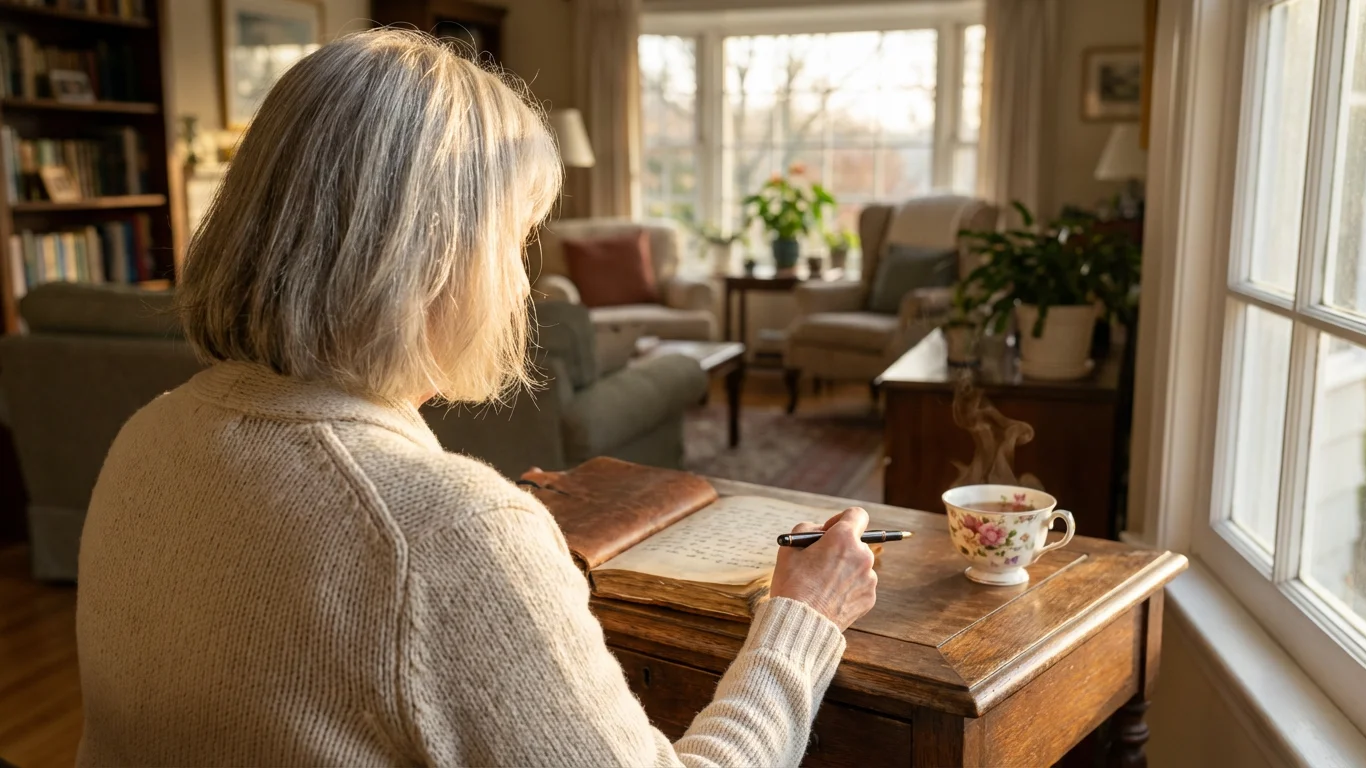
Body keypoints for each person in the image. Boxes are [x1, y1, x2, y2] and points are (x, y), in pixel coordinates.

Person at [75, 29, 878, 767]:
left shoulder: (145, 436)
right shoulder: (450, 532)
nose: (521, 279)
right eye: (513, 240)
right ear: (428, 259)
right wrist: (800, 620)